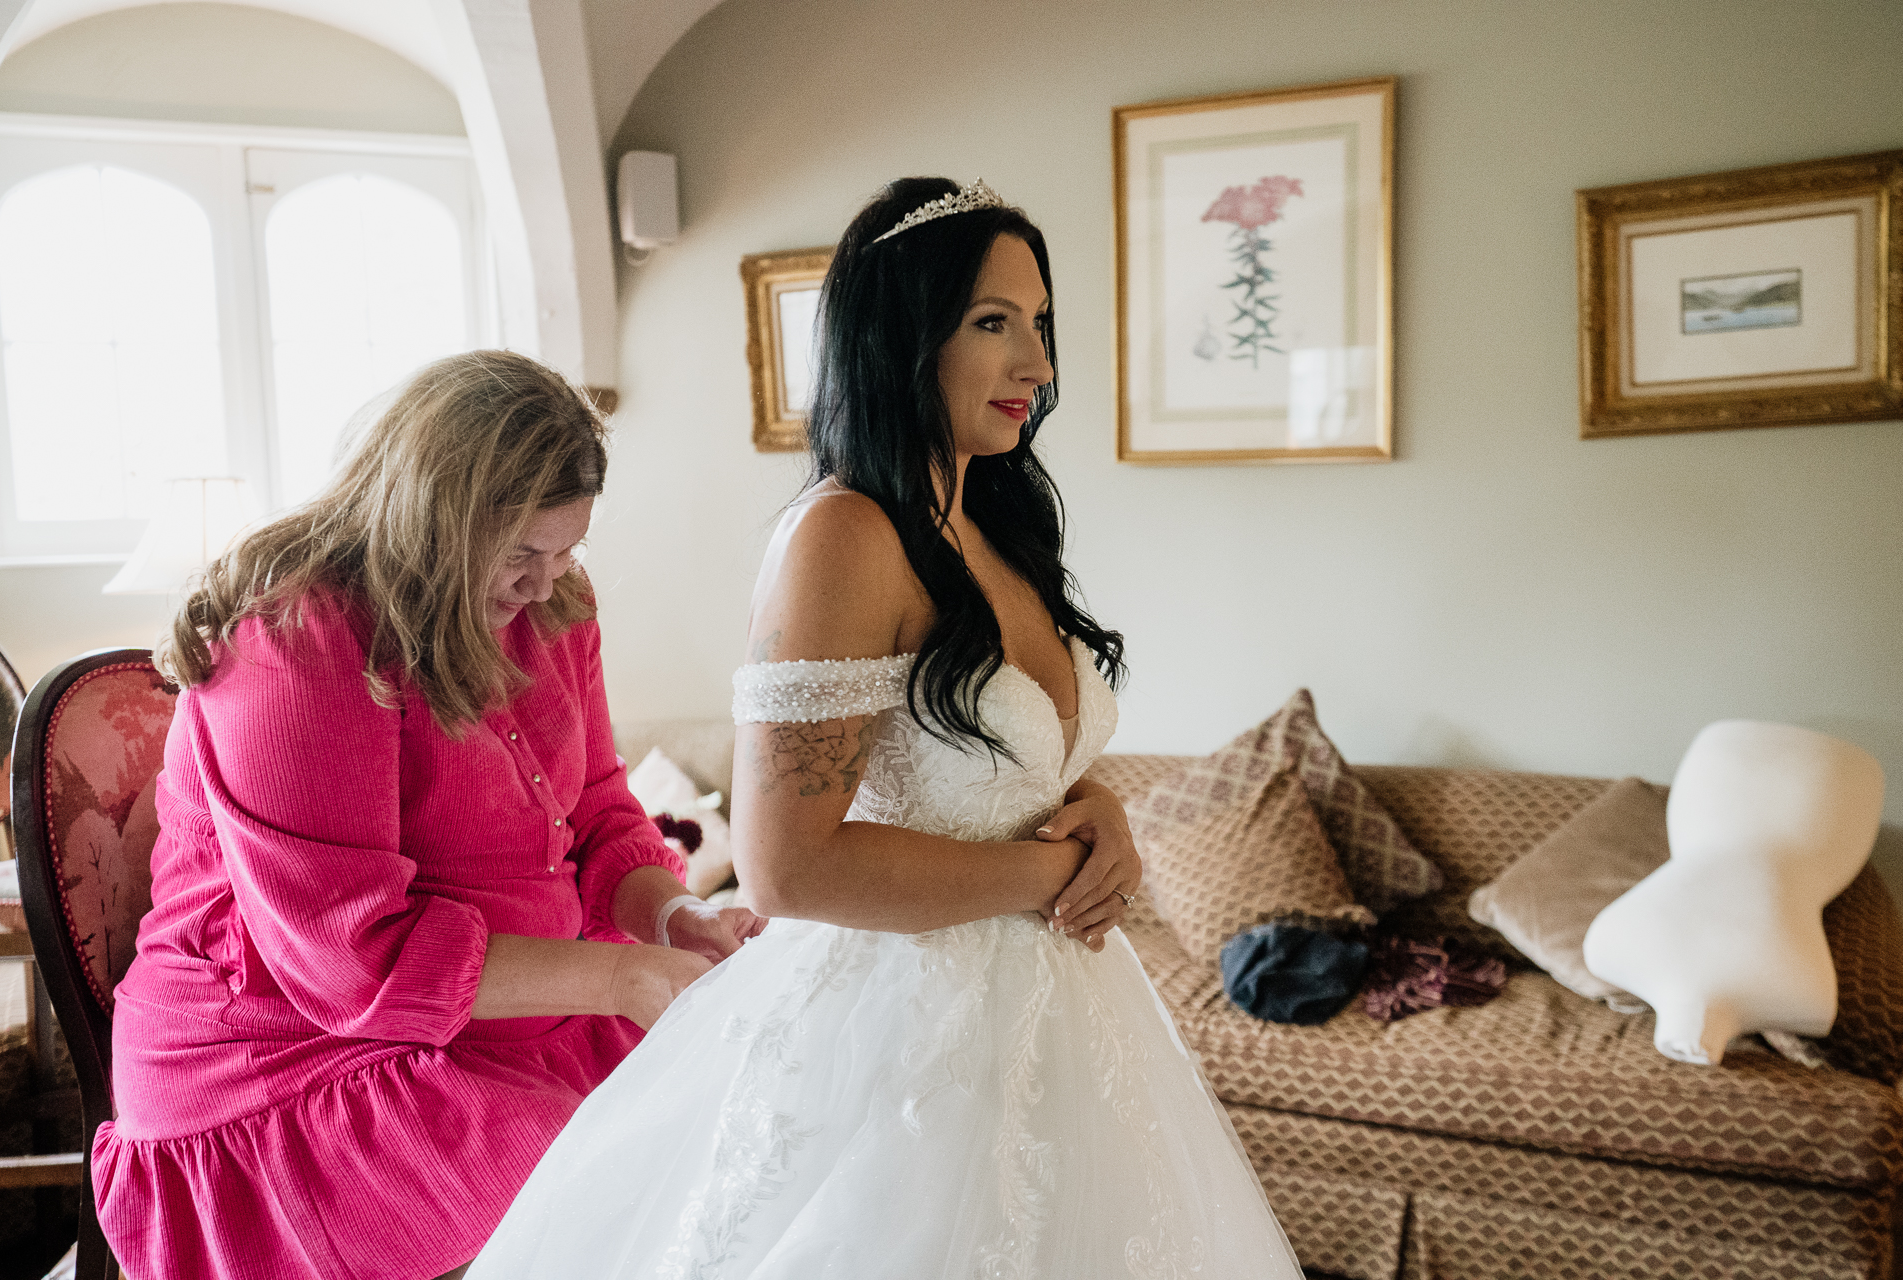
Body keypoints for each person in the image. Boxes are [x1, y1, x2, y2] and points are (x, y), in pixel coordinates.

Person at [471, 179, 1301, 1277]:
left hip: (1061, 1016)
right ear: (903, 331)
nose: (1037, 366)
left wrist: (1100, 816)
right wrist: (1050, 874)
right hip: (898, 1047)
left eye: (1039, 324)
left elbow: (1023, 767)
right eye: (993, 323)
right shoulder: (842, 535)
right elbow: (784, 864)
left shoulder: (995, 520)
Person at [92, 351, 764, 1280]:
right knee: (606, 1200)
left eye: (568, 549)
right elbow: (352, 958)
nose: (545, 582)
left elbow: (603, 811)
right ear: (431, 520)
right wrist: (619, 983)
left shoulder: (555, 604)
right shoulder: (297, 639)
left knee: (751, 1143)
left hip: (510, 1017)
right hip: (293, 1057)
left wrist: (672, 918)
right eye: (521, 553)